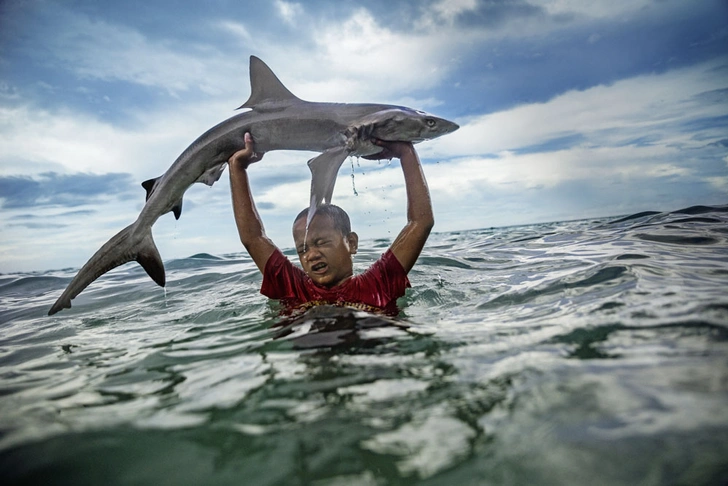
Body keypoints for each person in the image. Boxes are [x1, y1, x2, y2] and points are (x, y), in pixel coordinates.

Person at [228, 133, 433, 316]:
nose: (311, 255)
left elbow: (420, 222)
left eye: (321, 242)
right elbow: (253, 238)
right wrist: (237, 167)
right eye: (302, 249)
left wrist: (406, 153)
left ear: (351, 243)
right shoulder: (292, 287)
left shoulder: (379, 282)